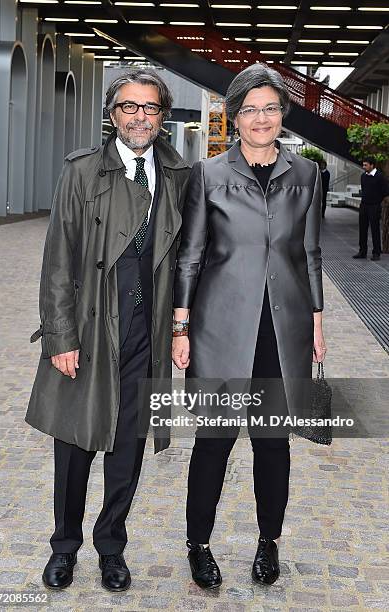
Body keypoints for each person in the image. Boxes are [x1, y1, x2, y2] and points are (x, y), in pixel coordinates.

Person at [26, 69, 190, 592]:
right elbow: (57, 262)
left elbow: (188, 258)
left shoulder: (178, 174)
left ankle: (111, 547)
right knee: (74, 445)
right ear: (111, 114)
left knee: (129, 447)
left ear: (162, 116)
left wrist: (181, 327)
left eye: (150, 108)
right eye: (129, 107)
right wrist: (60, 336)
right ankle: (64, 547)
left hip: (147, 332)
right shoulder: (81, 172)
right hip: (92, 328)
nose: (139, 116)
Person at [172, 63, 326, 589]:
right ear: (234, 116)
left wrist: (319, 320)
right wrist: (180, 325)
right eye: (250, 109)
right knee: (213, 441)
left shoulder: (306, 176)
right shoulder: (208, 176)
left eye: (270, 108)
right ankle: (199, 545)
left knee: (272, 442)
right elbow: (189, 256)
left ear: (283, 115)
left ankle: (269, 542)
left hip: (283, 332)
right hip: (217, 329)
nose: (261, 118)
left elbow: (309, 254)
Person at [353, 156, 389, 261]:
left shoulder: (380, 177)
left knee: (375, 229)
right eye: (363, 165)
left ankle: (376, 252)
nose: (364, 167)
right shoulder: (363, 176)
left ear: (372, 165)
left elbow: (386, 191)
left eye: (366, 165)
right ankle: (362, 251)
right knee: (362, 229)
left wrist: (377, 200)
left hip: (374, 206)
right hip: (364, 205)